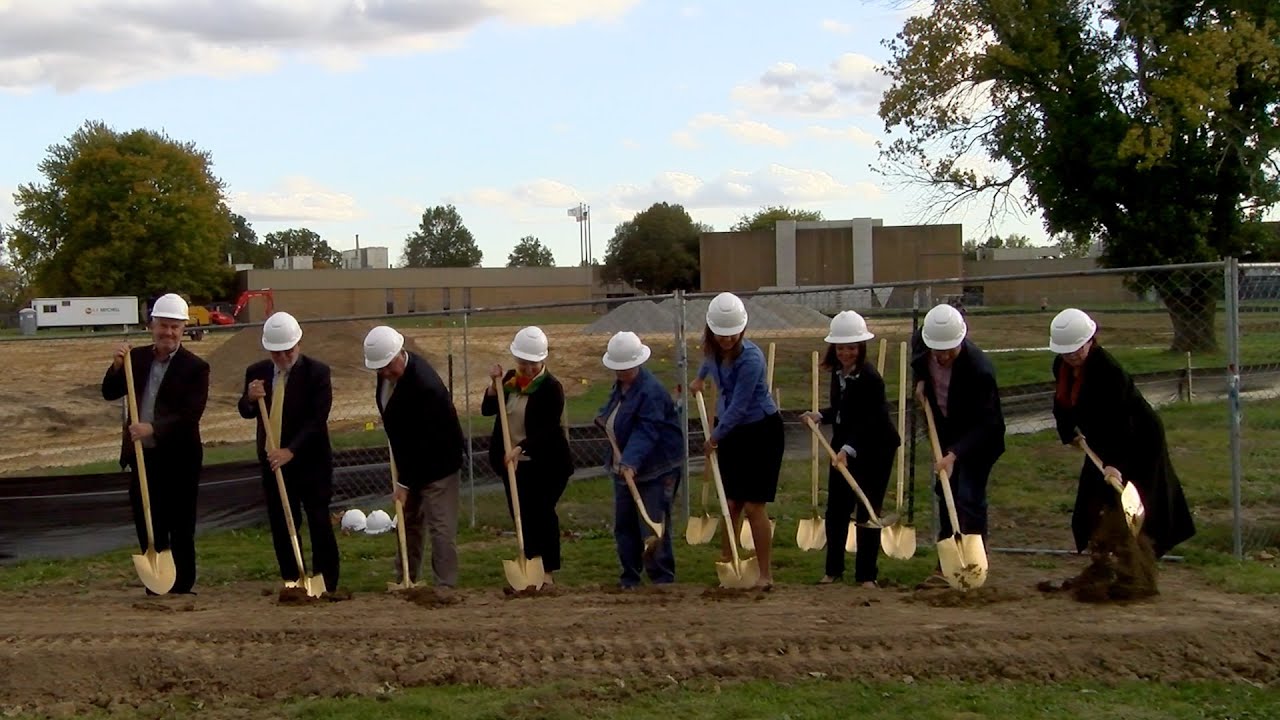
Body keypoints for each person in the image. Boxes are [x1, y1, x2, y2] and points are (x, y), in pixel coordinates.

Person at [1049, 308, 1195, 557]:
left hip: (1138, 438)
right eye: (1065, 352)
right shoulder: (1061, 366)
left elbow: (1121, 422)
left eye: (1076, 349)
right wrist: (1068, 431)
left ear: (1090, 341)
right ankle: (1102, 547)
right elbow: (1062, 402)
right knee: (1094, 493)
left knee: (1140, 497)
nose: (1071, 356)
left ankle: (1142, 554)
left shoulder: (1108, 372)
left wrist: (1115, 463)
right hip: (1100, 437)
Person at [101, 293, 210, 595]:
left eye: (176, 327)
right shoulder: (136, 359)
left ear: (184, 329)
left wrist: (153, 427)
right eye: (164, 325)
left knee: (181, 521)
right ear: (152, 326)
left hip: (180, 457)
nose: (169, 333)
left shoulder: (195, 368)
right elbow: (109, 392)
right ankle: (158, 582)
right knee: (148, 517)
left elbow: (190, 414)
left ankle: (183, 584)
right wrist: (115, 366)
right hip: (142, 455)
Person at [237, 311, 340, 593]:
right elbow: (245, 412)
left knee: (318, 519)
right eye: (276, 353)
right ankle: (292, 579)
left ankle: (326, 582)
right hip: (273, 462)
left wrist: (291, 450)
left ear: (298, 345)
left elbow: (318, 419)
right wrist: (249, 398)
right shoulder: (256, 372)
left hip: (310, 460)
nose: (282, 358)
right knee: (282, 522)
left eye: (287, 351)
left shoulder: (317, 373)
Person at [688, 292, 784, 590]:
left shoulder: (751, 359)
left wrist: (714, 437)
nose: (726, 339)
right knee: (730, 503)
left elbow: (740, 407)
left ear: (742, 330)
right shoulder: (714, 349)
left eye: (732, 334)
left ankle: (765, 574)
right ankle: (730, 565)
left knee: (754, 505)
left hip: (760, 432)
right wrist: (699, 379)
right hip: (732, 431)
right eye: (721, 334)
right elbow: (708, 360)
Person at [801, 311, 900, 588]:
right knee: (836, 510)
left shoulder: (871, 379)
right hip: (845, 446)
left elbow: (870, 420)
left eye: (852, 347)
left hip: (875, 449)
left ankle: (867, 575)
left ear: (861, 348)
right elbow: (846, 411)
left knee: (868, 510)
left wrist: (848, 448)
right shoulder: (837, 372)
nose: (846, 353)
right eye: (841, 347)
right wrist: (821, 415)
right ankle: (833, 570)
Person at [363, 325, 465, 588]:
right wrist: (404, 481)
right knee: (408, 523)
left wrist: (405, 484)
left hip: (439, 463)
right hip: (410, 461)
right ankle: (405, 579)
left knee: (440, 527)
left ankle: (445, 587)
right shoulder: (387, 376)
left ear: (400, 352)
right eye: (380, 369)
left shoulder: (425, 387)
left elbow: (426, 442)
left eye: (388, 366)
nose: (385, 373)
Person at [912, 302, 1005, 586]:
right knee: (946, 493)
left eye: (948, 350)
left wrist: (955, 455)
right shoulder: (922, 343)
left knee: (968, 496)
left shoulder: (979, 370)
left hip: (979, 439)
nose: (942, 356)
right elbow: (919, 364)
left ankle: (975, 562)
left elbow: (986, 424)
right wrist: (919, 382)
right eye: (937, 350)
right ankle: (946, 565)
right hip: (946, 429)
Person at [482, 326, 574, 587]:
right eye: (522, 362)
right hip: (514, 465)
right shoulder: (510, 381)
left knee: (542, 513)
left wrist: (521, 447)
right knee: (521, 515)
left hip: (548, 464)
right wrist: (493, 385)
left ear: (542, 360)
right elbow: (488, 410)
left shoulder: (551, 388)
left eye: (532, 364)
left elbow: (547, 429)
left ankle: (547, 572)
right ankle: (530, 565)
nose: (527, 369)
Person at [595, 331, 685, 589]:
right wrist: (603, 417)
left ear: (638, 363)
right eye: (618, 368)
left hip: (657, 468)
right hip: (624, 468)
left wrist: (631, 462)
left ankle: (662, 579)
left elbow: (647, 430)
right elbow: (616, 409)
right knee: (625, 525)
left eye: (626, 368)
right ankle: (630, 576)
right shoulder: (622, 385)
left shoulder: (651, 392)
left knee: (652, 525)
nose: (622, 372)